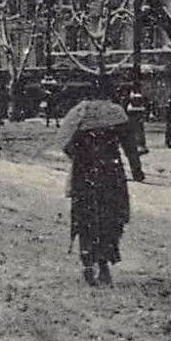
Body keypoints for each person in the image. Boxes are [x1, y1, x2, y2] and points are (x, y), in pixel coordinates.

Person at [58, 79, 144, 287]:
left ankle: (87, 260)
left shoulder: (80, 114)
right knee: (110, 218)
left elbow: (67, 145)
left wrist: (81, 159)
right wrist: (136, 170)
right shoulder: (116, 114)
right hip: (110, 174)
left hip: (85, 175)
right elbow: (130, 146)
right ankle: (104, 262)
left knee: (85, 217)